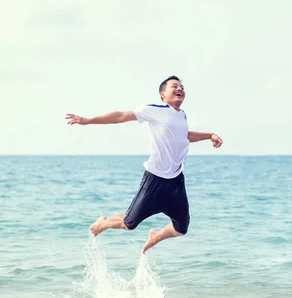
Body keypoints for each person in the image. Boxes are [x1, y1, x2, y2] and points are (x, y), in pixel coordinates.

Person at [65, 76, 223, 254]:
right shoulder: (155, 110)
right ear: (163, 94)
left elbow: (185, 136)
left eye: (182, 87)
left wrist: (210, 135)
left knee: (181, 228)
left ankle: (156, 236)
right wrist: (87, 120)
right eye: (174, 86)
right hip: (154, 180)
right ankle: (103, 223)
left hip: (176, 181)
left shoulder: (181, 115)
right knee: (129, 223)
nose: (180, 89)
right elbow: (121, 116)